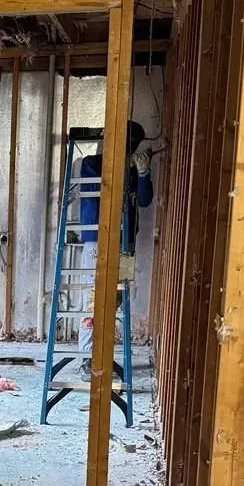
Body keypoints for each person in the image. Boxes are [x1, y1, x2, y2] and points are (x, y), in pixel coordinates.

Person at [76, 121, 154, 369]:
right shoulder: (92, 164)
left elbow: (144, 200)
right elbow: (96, 177)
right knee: (93, 299)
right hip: (97, 241)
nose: (130, 148)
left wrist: (142, 172)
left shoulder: (130, 169)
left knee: (115, 299)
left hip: (125, 244)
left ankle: (103, 353)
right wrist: (125, 165)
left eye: (133, 145)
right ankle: (89, 357)